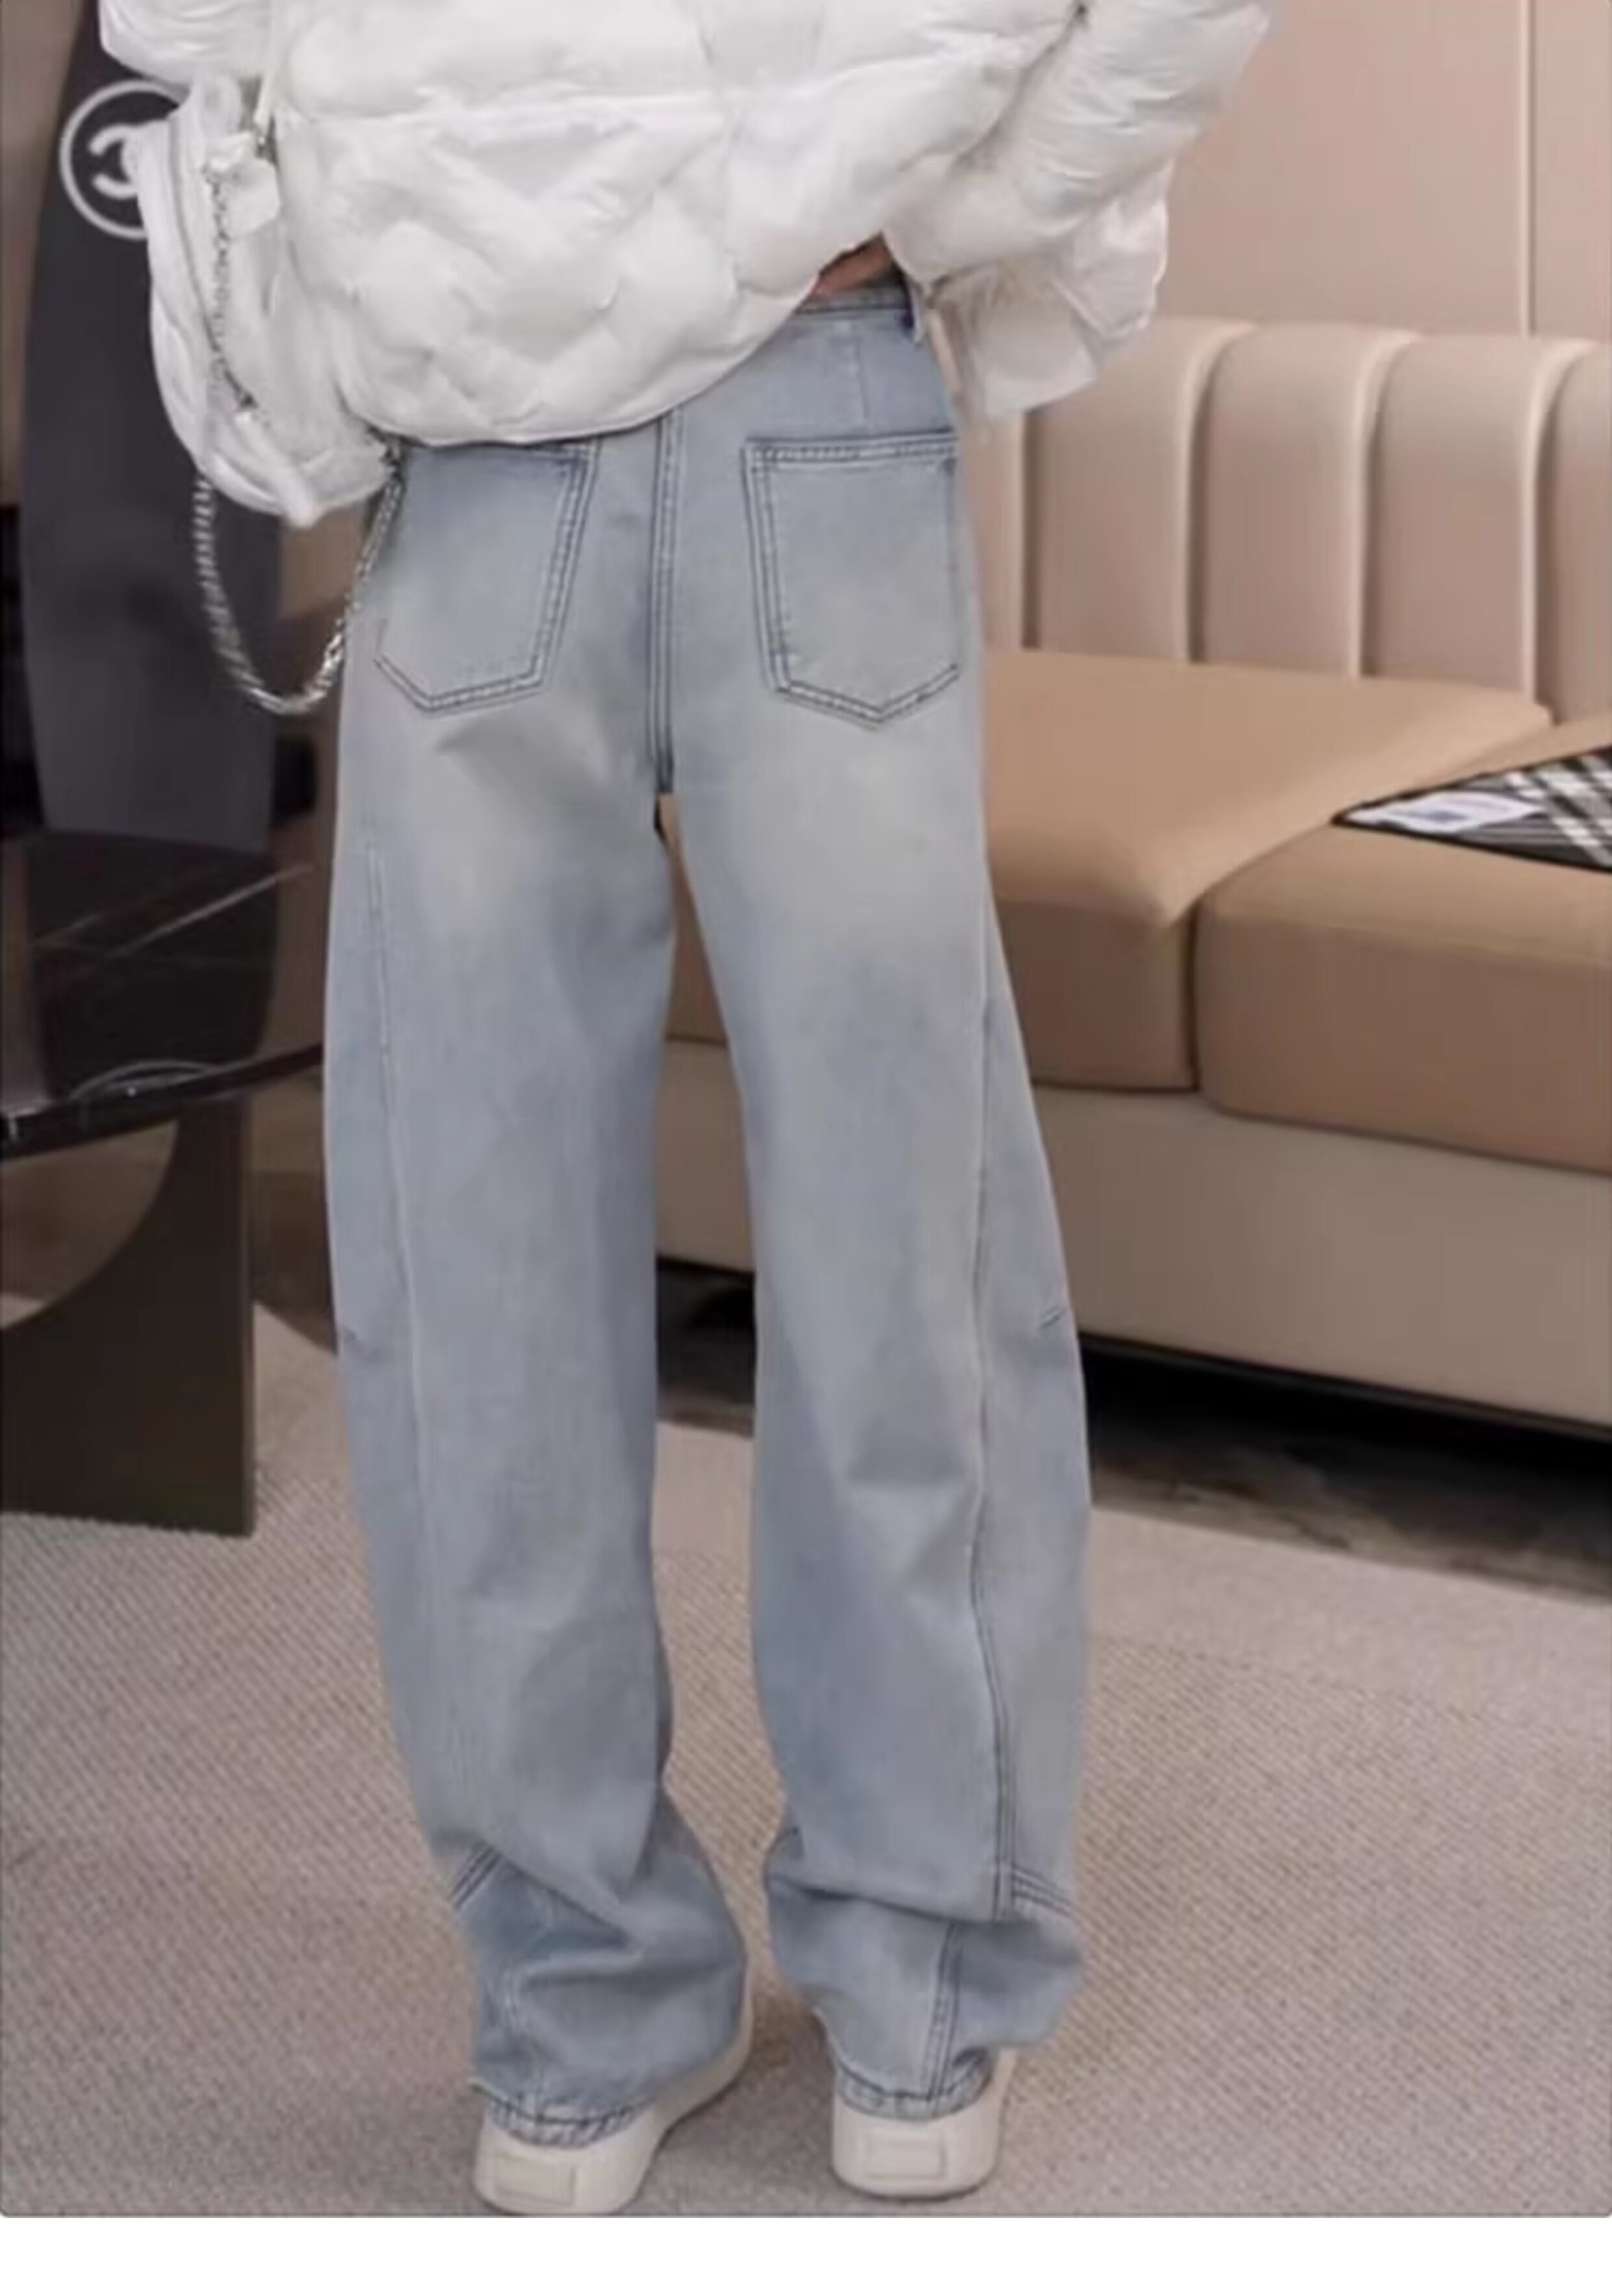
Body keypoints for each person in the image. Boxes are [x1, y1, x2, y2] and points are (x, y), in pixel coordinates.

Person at [104, 0, 1271, 2214]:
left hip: (479, 428)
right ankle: (917, 2009)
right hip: (807, 408)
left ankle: (580, 2022)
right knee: (904, 1247)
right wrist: (934, 196)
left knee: (476, 1272)